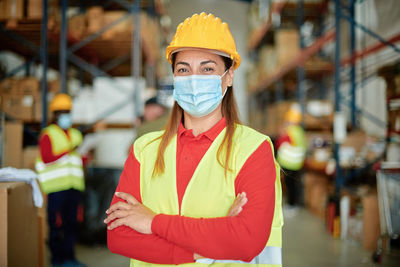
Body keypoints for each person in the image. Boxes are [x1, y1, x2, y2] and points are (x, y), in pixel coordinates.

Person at [105, 12, 283, 266]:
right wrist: (206, 247)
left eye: (208, 69)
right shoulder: (144, 150)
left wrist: (151, 222)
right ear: (175, 78)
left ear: (229, 75)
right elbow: (119, 237)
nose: (194, 79)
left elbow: (246, 241)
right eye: (183, 69)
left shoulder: (253, 149)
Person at [35, 93, 86, 267]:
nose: (66, 115)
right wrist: (69, 149)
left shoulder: (75, 134)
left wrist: (83, 159)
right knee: (56, 226)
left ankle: (70, 259)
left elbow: (76, 158)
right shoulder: (47, 134)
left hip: (74, 187)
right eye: (62, 112)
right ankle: (57, 260)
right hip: (56, 189)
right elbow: (47, 158)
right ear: (55, 115)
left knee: (72, 225)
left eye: (68, 111)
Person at [276, 103, 307, 214]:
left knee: (290, 186)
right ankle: (294, 204)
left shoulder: (289, 130)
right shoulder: (299, 130)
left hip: (289, 163)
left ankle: (292, 205)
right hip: (297, 163)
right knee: (294, 185)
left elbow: (280, 143)